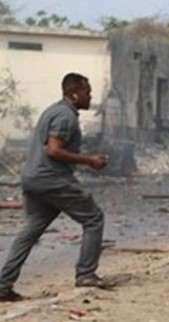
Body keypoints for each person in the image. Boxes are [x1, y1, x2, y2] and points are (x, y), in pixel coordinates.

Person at [0, 73, 111, 302]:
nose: (90, 96)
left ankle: (3, 285)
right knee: (94, 218)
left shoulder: (53, 110)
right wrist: (89, 160)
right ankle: (86, 274)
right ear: (74, 93)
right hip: (51, 179)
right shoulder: (65, 117)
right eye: (87, 92)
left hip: (33, 178)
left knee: (31, 230)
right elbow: (53, 150)